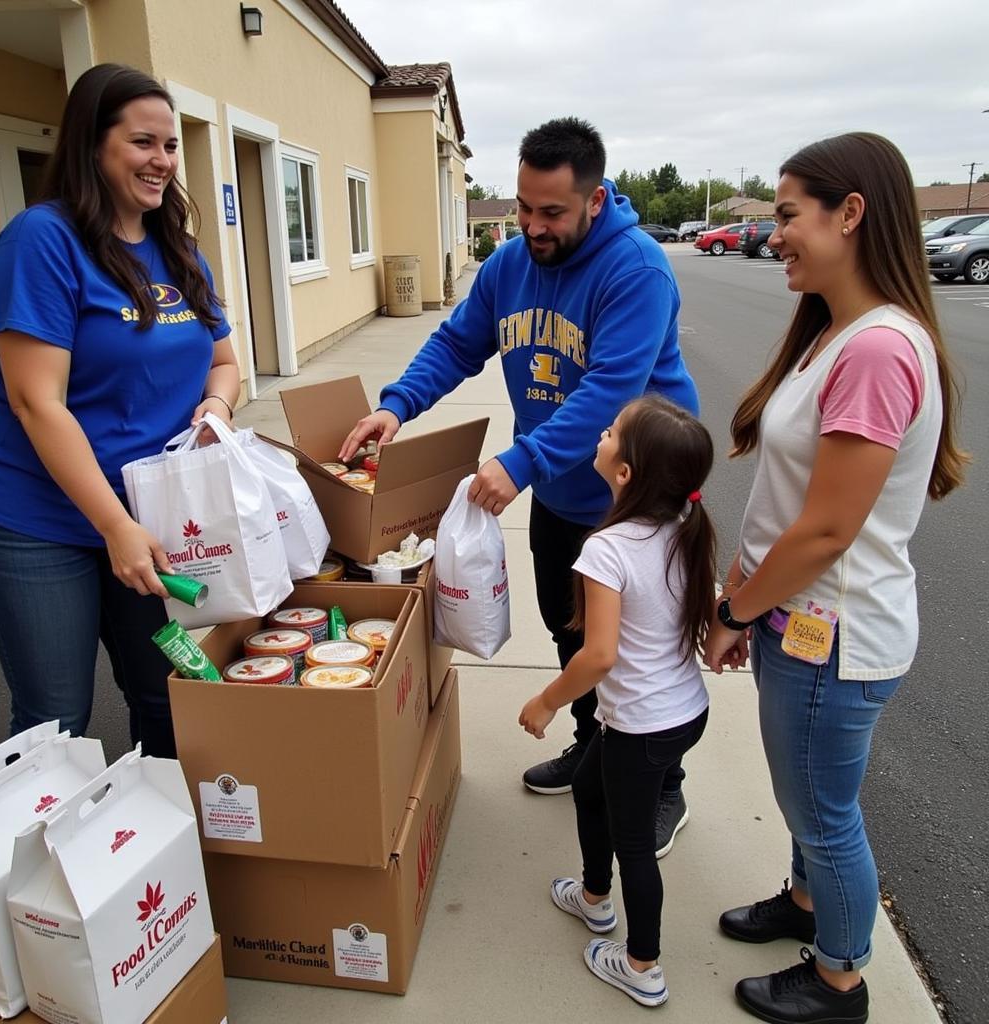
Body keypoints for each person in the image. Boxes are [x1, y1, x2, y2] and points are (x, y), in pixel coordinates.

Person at [340, 117, 700, 855]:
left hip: (640, 505)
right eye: (523, 207)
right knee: (571, 631)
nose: (532, 225)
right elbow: (457, 343)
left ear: (594, 200)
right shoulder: (509, 266)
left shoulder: (636, 270)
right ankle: (591, 742)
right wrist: (395, 404)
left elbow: (611, 391)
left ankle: (664, 786)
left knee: (641, 658)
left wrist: (521, 461)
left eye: (552, 212)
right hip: (565, 491)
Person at [703, 133, 967, 1024]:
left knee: (822, 809)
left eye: (785, 216)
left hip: (834, 633)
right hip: (802, 620)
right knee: (809, 795)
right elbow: (784, 503)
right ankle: (807, 906)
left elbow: (823, 530)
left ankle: (839, 980)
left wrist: (737, 605)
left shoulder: (879, 349)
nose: (772, 234)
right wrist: (743, 594)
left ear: (850, 214)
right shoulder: (838, 334)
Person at [0, 64, 239, 758]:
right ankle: (35, 861)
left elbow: (225, 362)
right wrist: (113, 524)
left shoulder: (178, 250)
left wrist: (214, 410)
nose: (163, 161)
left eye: (171, 146)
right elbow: (35, 401)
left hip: (145, 517)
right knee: (56, 718)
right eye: (144, 143)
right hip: (38, 519)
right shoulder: (42, 241)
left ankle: (159, 855)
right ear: (93, 144)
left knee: (169, 692)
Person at [518, 395, 714, 1007]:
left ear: (623, 472)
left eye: (610, 432)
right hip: (682, 712)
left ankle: (642, 966)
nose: (600, 434)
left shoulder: (607, 550)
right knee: (587, 786)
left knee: (634, 846)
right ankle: (595, 901)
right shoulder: (684, 528)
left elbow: (597, 655)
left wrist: (547, 701)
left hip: (642, 724)